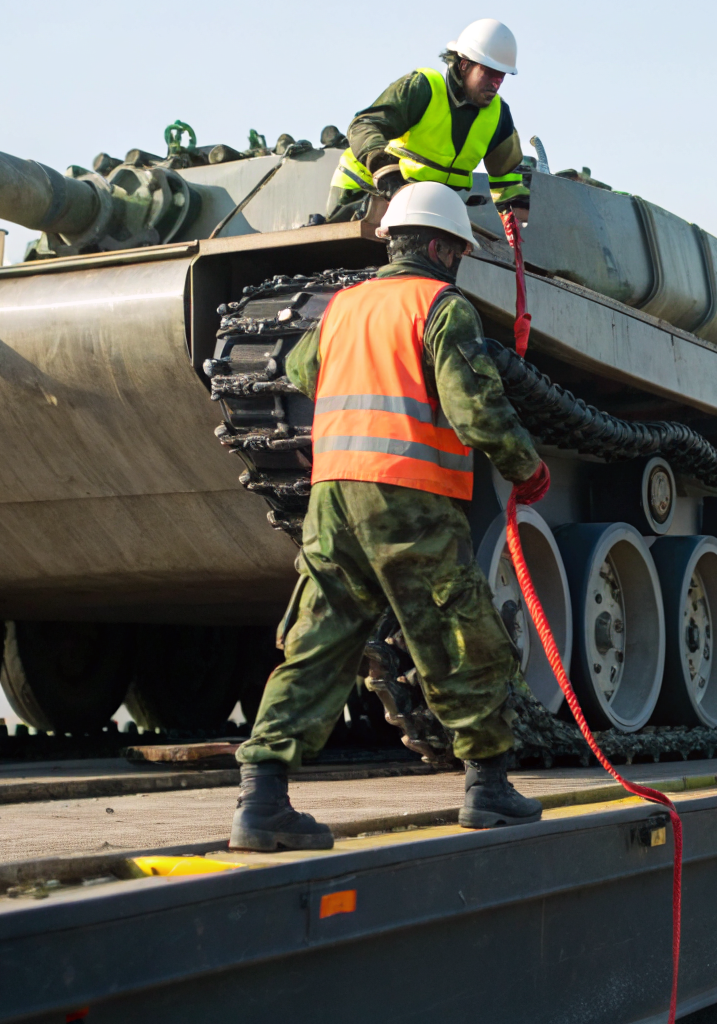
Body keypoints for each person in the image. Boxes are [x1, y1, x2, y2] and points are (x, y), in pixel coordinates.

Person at [231, 181, 552, 851]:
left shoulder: (344, 306)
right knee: (456, 633)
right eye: (458, 250)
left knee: (318, 639)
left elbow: (298, 369)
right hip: (409, 496)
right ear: (438, 247)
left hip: (332, 498)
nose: (458, 262)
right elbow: (475, 410)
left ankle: (262, 797)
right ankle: (486, 788)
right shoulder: (441, 306)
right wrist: (527, 467)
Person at [325, 18, 530, 223]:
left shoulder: (498, 114)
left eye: (500, 77)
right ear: (465, 65)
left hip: (420, 205)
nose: (495, 85)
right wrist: (385, 171)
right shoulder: (423, 88)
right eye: (488, 74)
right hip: (363, 190)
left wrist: (517, 210)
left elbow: (507, 179)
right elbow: (363, 126)